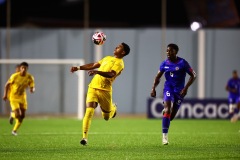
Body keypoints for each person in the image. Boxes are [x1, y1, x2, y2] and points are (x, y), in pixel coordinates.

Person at [70, 42, 130, 146]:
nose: (116, 47)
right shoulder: (107, 58)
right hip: (93, 87)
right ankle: (84, 138)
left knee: (106, 117)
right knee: (89, 111)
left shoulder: (120, 63)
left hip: (105, 91)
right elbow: (93, 65)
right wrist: (78, 68)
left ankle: (113, 109)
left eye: (119, 47)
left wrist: (97, 72)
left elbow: (111, 74)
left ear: (123, 52)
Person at [150, 43, 197, 145]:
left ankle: (167, 113)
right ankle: (164, 137)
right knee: (167, 110)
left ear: (176, 52)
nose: (168, 53)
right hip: (169, 88)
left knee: (170, 117)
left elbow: (193, 75)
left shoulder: (182, 63)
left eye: (170, 51)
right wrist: (153, 88)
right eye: (167, 51)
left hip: (180, 91)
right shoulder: (164, 64)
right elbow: (158, 77)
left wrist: (186, 88)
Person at [2, 62, 35, 136]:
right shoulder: (14, 76)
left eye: (25, 68)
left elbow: (32, 86)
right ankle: (12, 115)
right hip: (13, 97)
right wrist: (5, 95)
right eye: (22, 68)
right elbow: (6, 85)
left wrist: (32, 90)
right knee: (17, 115)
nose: (23, 69)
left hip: (22, 97)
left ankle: (14, 130)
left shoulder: (30, 77)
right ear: (20, 68)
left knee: (22, 116)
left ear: (27, 69)